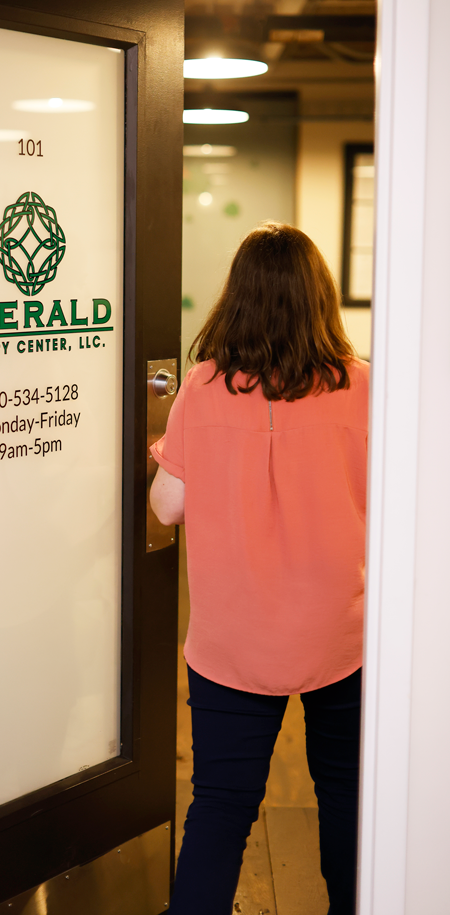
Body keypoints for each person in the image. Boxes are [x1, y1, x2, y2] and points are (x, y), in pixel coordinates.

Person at [150, 222, 368, 915]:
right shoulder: (360, 387)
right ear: (319, 297)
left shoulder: (203, 388)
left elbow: (166, 508)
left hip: (230, 642)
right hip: (342, 633)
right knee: (345, 796)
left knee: (219, 804)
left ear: (235, 297)